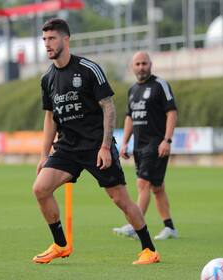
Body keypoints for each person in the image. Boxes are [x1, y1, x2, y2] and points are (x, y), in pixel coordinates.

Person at [31, 19, 160, 265]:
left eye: (52, 39)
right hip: (67, 147)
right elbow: (50, 118)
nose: (47, 44)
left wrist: (104, 146)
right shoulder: (47, 79)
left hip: (95, 145)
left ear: (65, 39)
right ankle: (60, 245)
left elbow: (108, 107)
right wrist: (43, 154)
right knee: (40, 189)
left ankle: (149, 250)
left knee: (120, 199)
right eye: (44, 40)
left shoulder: (89, 69)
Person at [113, 51, 178, 241]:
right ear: (132, 67)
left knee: (143, 184)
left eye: (144, 63)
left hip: (156, 144)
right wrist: (124, 142)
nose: (141, 67)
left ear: (151, 64)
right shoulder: (133, 90)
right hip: (139, 146)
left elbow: (172, 112)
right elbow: (130, 117)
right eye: (138, 64)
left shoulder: (160, 85)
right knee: (157, 188)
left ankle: (135, 225)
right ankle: (170, 228)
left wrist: (167, 140)